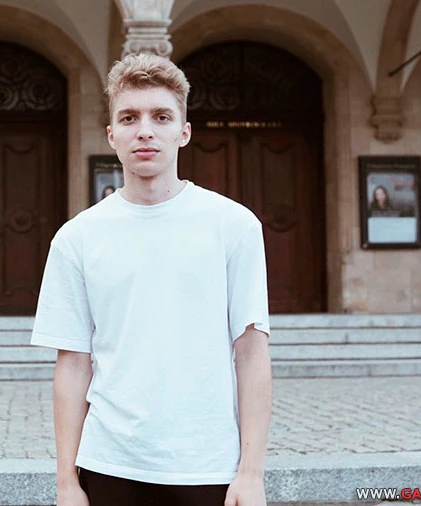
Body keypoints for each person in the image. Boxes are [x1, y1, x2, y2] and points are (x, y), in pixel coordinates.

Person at [31, 53, 272, 506]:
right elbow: (73, 363)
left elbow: (251, 351)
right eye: (129, 118)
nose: (145, 130)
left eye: (161, 117)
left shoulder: (233, 225)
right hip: (109, 462)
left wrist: (251, 473)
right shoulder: (77, 237)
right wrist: (66, 483)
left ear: (184, 132)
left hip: (208, 463)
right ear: (112, 134)